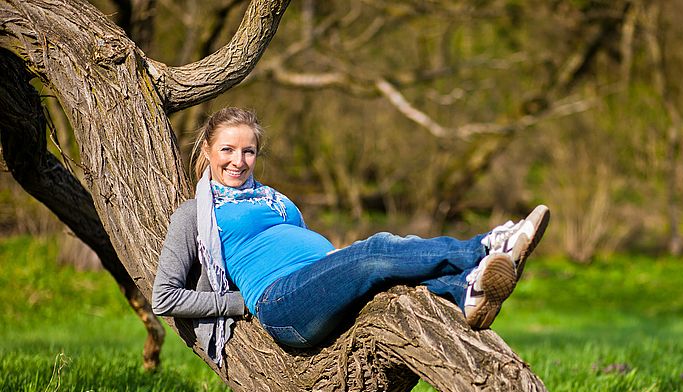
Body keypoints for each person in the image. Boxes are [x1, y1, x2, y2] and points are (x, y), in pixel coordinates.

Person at [152, 107, 550, 367]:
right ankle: (485, 246)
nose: (238, 161)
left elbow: (305, 257)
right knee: (374, 250)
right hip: (281, 304)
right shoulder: (197, 214)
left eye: (249, 151)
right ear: (206, 149)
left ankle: (467, 290)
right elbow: (164, 297)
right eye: (228, 150)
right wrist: (239, 303)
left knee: (382, 269)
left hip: (314, 287)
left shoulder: (278, 201)